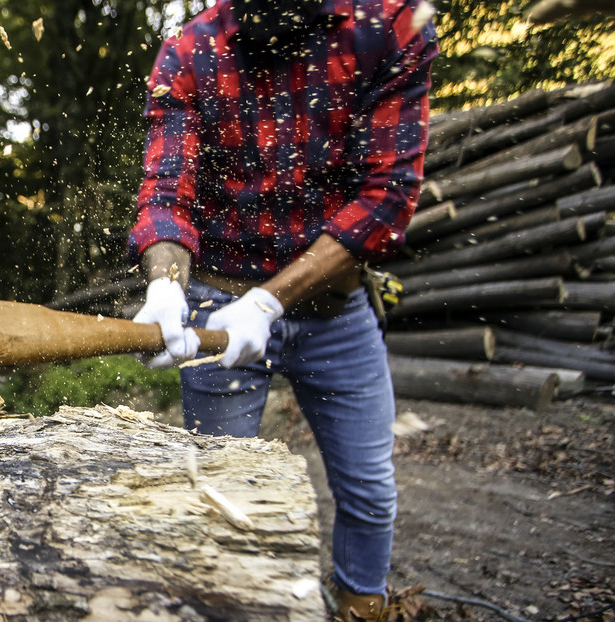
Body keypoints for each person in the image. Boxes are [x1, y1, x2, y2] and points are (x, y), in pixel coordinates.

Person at [128, 0, 437, 618]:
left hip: (336, 307)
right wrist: (165, 284)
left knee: (370, 492)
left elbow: (388, 198)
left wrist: (269, 301)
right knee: (218, 493)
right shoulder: (190, 51)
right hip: (216, 302)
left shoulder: (389, 28)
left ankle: (362, 608)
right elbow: (167, 191)